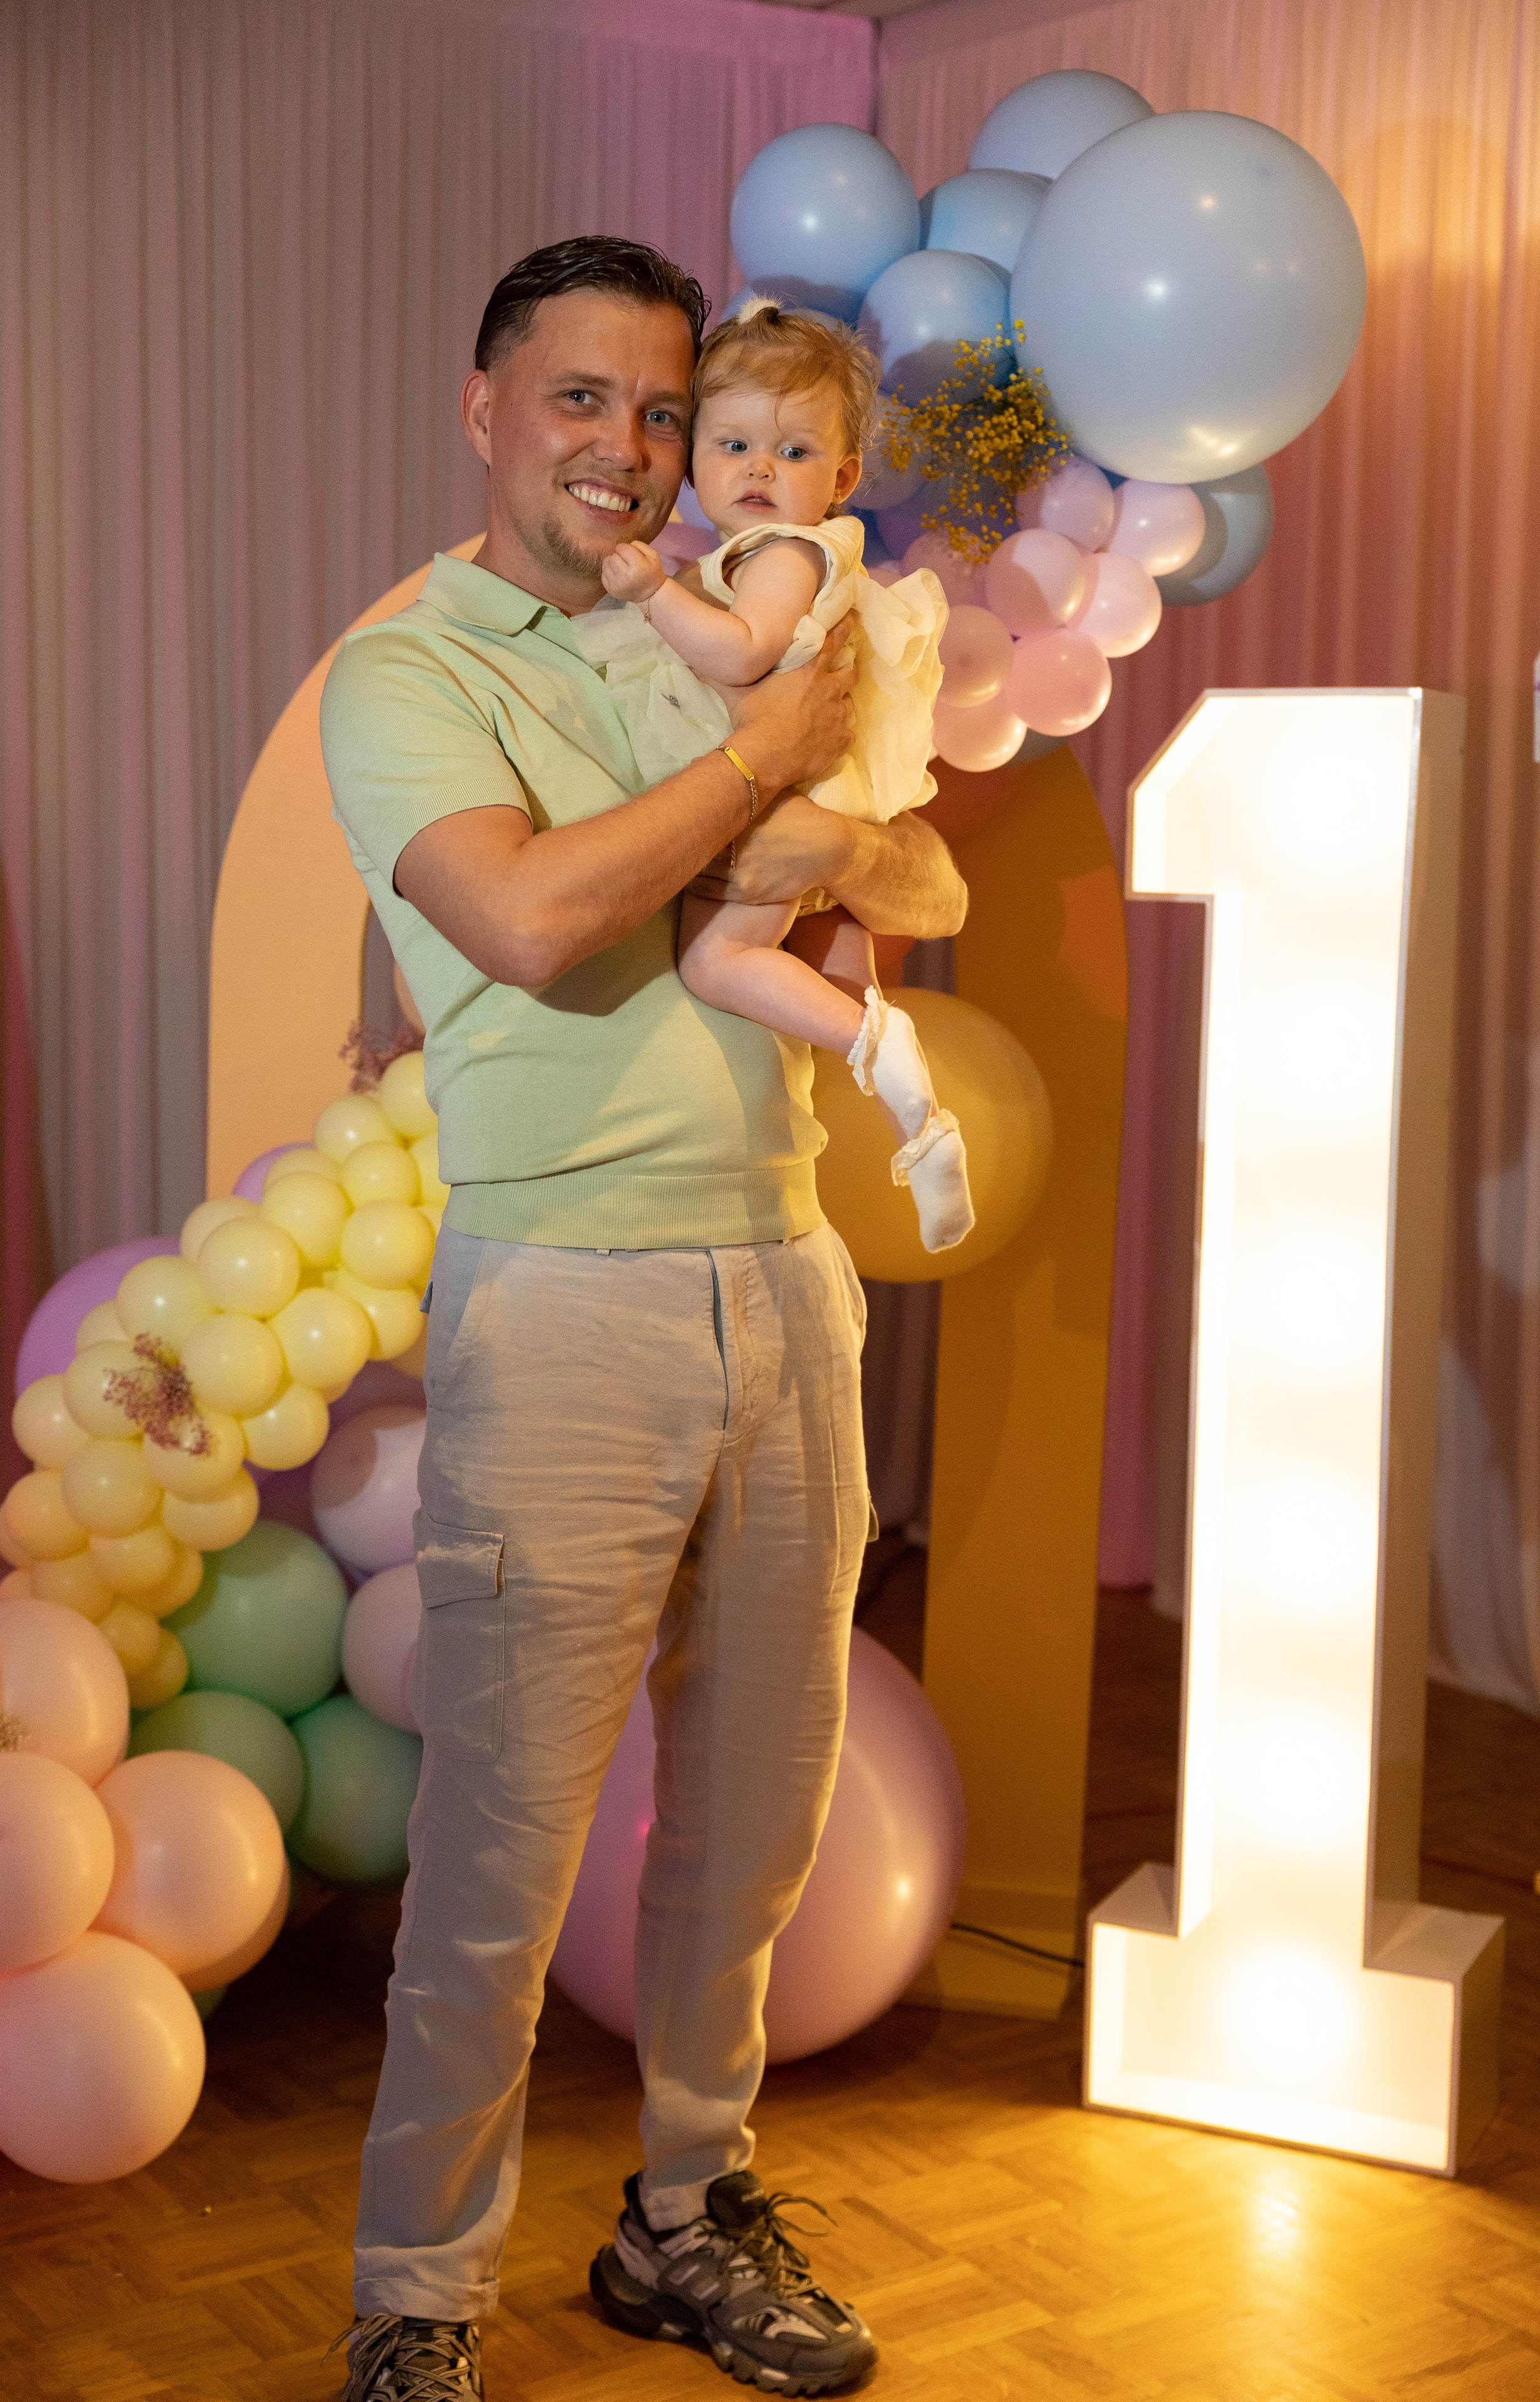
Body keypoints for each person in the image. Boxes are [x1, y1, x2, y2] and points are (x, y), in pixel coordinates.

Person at [318, 235, 968, 2402]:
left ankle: (687, 2214)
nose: (629, 449)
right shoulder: (414, 669)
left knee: (756, 1818)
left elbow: (904, 877)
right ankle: (418, 2298)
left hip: (789, 1272)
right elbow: (528, 913)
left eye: (665, 412)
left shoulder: (717, 623)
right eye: (580, 400)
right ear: (487, 410)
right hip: (566, 1301)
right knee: (503, 1849)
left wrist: (818, 816)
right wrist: (767, 773)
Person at [574, 296, 973, 1255]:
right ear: (695, 455)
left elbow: (745, 653)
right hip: (828, 785)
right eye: (735, 444)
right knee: (832, 961)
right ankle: (922, 1128)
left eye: (793, 455)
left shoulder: (779, 553)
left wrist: (652, 592)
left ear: (841, 477)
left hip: (799, 789)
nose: (759, 468)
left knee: (715, 960)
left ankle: (879, 1050)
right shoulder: (782, 550)